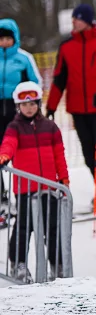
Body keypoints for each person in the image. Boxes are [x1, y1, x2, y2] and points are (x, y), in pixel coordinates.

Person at [46, 4, 96, 205]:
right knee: (88, 152)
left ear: (87, 20)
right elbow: (59, 78)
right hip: (78, 108)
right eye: (73, 19)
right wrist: (51, 107)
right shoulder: (66, 46)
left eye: (77, 19)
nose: (74, 22)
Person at [0, 82, 68, 282]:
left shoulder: (50, 127)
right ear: (17, 107)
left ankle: (58, 264)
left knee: (52, 227)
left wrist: (63, 179)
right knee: (23, 227)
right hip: (25, 189)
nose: (28, 108)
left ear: (38, 103)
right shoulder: (14, 127)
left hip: (49, 188)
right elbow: (9, 144)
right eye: (24, 105)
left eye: (32, 104)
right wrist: (4, 155)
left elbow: (59, 156)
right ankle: (19, 264)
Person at [0, 18, 42, 204]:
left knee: (21, 152)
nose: (4, 42)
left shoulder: (24, 59)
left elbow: (35, 83)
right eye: (1, 39)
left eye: (8, 38)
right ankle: (1, 196)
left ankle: (25, 192)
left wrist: (31, 108)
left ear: (14, 38)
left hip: (17, 111)